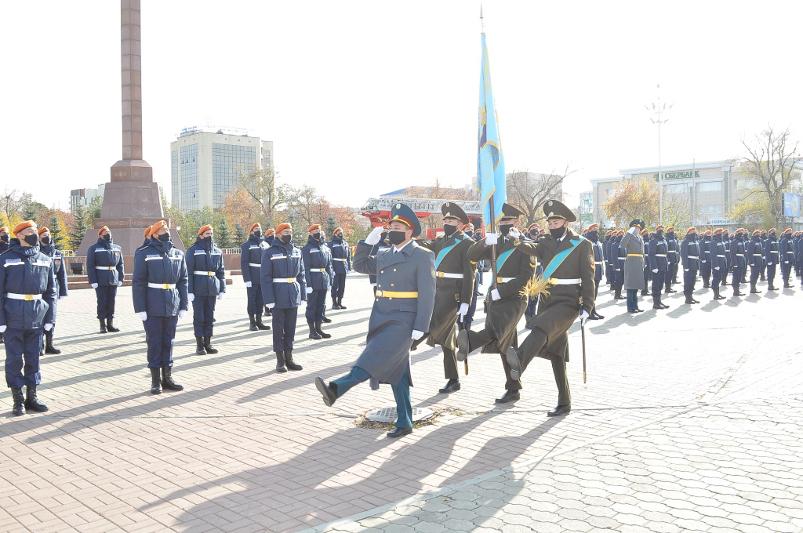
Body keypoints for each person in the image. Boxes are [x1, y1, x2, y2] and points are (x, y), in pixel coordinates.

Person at [315, 203, 435, 438]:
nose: (392, 230)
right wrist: (367, 242)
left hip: (404, 319)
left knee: (373, 357)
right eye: (390, 226)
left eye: (398, 226)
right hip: (381, 315)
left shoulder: (422, 255)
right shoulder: (384, 253)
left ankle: (336, 388)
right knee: (398, 371)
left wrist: (421, 327)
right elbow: (360, 265)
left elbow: (429, 293)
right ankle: (404, 420)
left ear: (410, 231)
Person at [502, 200, 595, 416]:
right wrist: (517, 240)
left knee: (540, 327)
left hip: (569, 301)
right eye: (550, 222)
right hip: (548, 299)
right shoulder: (545, 242)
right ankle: (564, 402)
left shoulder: (581, 244)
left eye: (556, 221)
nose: (552, 225)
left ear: (566, 222)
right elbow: (531, 248)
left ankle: (519, 363)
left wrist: (587, 305)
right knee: (556, 354)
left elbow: (589, 278)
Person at [456, 203, 536, 404]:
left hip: (515, 297)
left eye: (508, 221)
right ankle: (513, 388)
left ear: (516, 222)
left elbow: (526, 277)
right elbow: (471, 256)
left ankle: (472, 341)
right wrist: (484, 242)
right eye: (502, 221)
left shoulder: (525, 244)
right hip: (495, 296)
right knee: (506, 345)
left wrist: (502, 292)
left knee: (497, 332)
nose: (504, 225)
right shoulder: (495, 242)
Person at [416, 202, 475, 394]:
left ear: (460, 223)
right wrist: (409, 238)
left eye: (451, 220)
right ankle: (453, 379)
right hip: (436, 290)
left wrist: (466, 300)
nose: (447, 222)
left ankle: (408, 344)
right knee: (448, 340)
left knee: (432, 325)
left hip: (453, 294)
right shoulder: (441, 241)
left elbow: (470, 274)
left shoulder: (467, 243)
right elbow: (426, 246)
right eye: (446, 219)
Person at [0, 221, 56, 416]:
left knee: (33, 358)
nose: (34, 234)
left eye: (35, 231)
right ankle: (18, 400)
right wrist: (1, 321)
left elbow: (51, 292)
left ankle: (32, 397)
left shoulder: (44, 259)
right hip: (13, 315)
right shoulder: (5, 259)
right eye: (30, 232)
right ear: (20, 235)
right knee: (14, 359)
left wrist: (50, 318)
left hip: (36, 316)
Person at [133, 220, 188, 394]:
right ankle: (155, 381)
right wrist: (140, 307)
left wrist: (183, 305)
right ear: (154, 234)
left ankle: (168, 378)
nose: (167, 232)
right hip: (152, 303)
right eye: (163, 230)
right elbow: (138, 282)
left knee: (169, 342)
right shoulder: (144, 253)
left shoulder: (178, 254)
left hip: (172, 303)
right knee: (155, 342)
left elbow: (183, 281)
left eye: (167, 229)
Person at [261, 223, 305, 372]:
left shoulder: (297, 251)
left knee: (291, 328)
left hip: (293, 293)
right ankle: (280, 360)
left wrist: (303, 295)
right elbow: (265, 278)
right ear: (278, 234)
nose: (289, 234)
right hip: (278, 294)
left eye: (290, 232)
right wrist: (269, 300)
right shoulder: (270, 252)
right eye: (286, 232)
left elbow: (301, 275)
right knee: (279, 329)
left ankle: (290, 358)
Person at [186, 224, 225, 355]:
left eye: (211, 234)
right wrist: (189, 291)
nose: (210, 236)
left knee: (210, 317)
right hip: (198, 288)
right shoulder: (193, 250)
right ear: (201, 235)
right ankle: (199, 345)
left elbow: (221, 272)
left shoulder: (217, 251)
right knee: (199, 317)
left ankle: (208, 343)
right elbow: (188, 272)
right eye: (207, 234)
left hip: (212, 287)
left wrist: (222, 289)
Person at [86, 226, 124, 334]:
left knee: (111, 301)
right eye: (105, 233)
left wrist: (121, 277)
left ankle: (110, 324)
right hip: (100, 278)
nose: (108, 235)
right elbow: (90, 266)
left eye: (109, 232)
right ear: (100, 236)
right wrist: (93, 280)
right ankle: (102, 325)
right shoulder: (94, 248)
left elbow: (120, 264)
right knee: (102, 301)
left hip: (113, 278)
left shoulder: (117, 248)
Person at [37, 226, 68, 354]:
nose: (47, 236)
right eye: (43, 235)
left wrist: (63, 291)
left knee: (52, 316)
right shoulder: (36, 252)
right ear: (39, 238)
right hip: (40, 286)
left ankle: (49, 344)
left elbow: (62, 273)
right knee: (39, 316)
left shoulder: (57, 253)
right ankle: (39, 345)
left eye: (48, 234)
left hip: (54, 286)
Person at [302, 224, 334, 340]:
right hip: (313, 280)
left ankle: (319, 328)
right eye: (315, 230)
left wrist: (330, 280)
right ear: (310, 233)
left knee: (321, 305)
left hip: (323, 279)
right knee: (312, 306)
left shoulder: (325, 248)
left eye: (319, 230)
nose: (317, 232)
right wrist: (308, 284)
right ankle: (312, 330)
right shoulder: (307, 249)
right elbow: (305, 268)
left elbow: (329, 266)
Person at [241, 223, 271, 331]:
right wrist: (247, 279)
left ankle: (259, 321)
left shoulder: (265, 245)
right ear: (251, 231)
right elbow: (244, 263)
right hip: (252, 277)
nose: (259, 230)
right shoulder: (246, 245)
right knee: (252, 300)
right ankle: (252, 322)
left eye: (260, 228)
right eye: (256, 229)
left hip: (263, 276)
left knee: (261, 300)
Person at [621, 220, 646, 313]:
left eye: (639, 229)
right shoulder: (629, 237)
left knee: (636, 286)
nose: (638, 230)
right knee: (631, 286)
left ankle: (635, 306)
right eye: (635, 228)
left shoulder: (640, 238)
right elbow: (622, 245)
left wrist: (643, 262)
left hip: (638, 263)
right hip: (631, 262)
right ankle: (630, 307)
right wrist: (628, 233)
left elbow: (643, 252)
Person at [461, 222, 482, 331]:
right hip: (462, 274)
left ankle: (468, 321)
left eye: (472, 228)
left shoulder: (475, 240)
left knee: (472, 298)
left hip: (475, 272)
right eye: (468, 228)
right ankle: (461, 322)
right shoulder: (461, 240)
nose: (470, 230)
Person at [647, 225, 671, 310]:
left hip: (663, 265)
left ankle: (659, 301)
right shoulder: (653, 240)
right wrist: (654, 266)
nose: (661, 230)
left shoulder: (663, 240)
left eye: (662, 229)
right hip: (657, 265)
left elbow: (665, 253)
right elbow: (651, 254)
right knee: (656, 285)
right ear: (656, 230)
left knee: (661, 284)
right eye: (659, 229)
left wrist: (666, 261)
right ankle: (655, 303)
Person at [585, 224, 605, 319]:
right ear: (589, 230)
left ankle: (594, 310)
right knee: (591, 292)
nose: (596, 230)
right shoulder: (587, 241)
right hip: (591, 269)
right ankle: (589, 312)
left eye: (596, 229)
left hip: (598, 268)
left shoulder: (598, 242)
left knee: (595, 292)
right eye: (593, 229)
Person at [328, 227, 351, 309]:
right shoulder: (331, 244)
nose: (341, 234)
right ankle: (334, 303)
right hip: (335, 266)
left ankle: (340, 302)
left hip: (343, 266)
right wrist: (331, 269)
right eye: (339, 232)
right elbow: (329, 258)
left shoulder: (345, 243)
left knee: (342, 286)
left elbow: (348, 256)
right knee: (335, 286)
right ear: (335, 234)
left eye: (341, 232)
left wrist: (349, 267)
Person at [680, 227, 701, 304]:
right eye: (692, 231)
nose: (694, 233)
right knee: (688, 281)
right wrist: (685, 266)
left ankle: (691, 296)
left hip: (695, 263)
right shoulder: (686, 241)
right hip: (689, 264)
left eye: (695, 231)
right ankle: (687, 298)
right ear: (688, 232)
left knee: (693, 281)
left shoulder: (695, 241)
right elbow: (683, 254)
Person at [710, 228, 727, 301]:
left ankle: (717, 294)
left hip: (722, 261)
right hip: (717, 262)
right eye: (719, 232)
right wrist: (715, 265)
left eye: (721, 232)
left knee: (719, 278)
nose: (720, 233)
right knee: (716, 278)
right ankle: (715, 295)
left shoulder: (721, 241)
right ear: (716, 233)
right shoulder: (714, 242)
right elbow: (713, 254)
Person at [730, 229, 747, 296]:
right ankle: (735, 291)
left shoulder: (741, 241)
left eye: (742, 232)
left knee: (739, 276)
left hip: (741, 260)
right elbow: (733, 253)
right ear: (737, 233)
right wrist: (735, 263)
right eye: (740, 232)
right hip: (737, 260)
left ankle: (737, 289)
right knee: (736, 276)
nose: (741, 233)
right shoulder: (734, 241)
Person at [747, 230, 764, 294]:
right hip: (754, 260)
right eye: (757, 233)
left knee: (756, 274)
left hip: (758, 260)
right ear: (754, 234)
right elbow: (750, 253)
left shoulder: (759, 242)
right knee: (754, 274)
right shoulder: (752, 242)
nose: (759, 234)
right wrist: (751, 261)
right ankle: (752, 288)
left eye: (759, 233)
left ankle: (754, 287)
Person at [0, 226, 8, 345]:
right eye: (3, 234)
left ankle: (3, 334)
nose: (6, 236)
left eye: (7, 233)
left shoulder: (11, 247)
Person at [665, 226, 680, 291]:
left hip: (674, 257)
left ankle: (670, 286)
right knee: (668, 273)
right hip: (669, 257)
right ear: (668, 231)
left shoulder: (674, 238)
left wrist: (677, 257)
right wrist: (667, 259)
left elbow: (676, 249)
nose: (672, 231)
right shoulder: (667, 238)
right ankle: (667, 288)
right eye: (670, 230)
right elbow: (665, 249)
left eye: (672, 230)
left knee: (673, 272)